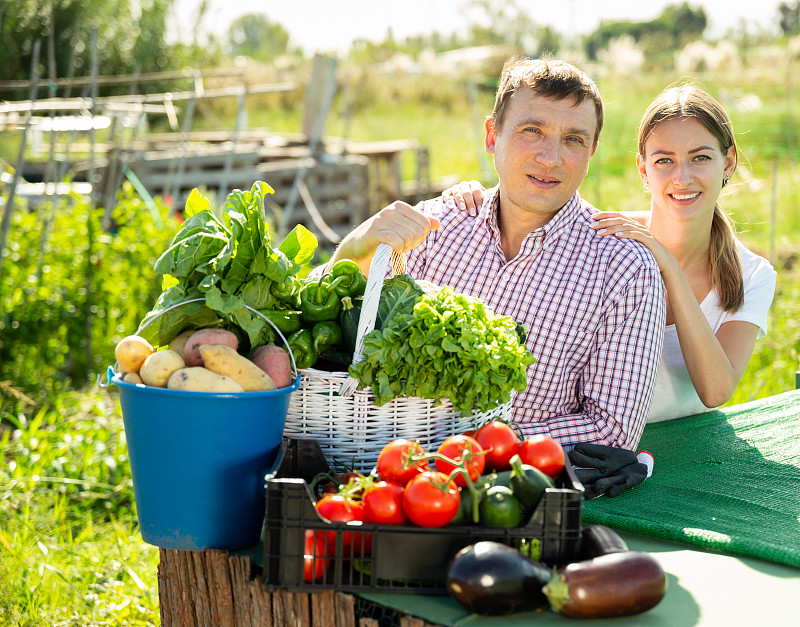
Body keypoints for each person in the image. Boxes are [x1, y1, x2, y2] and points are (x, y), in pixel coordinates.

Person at [326, 56, 666, 451]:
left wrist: (472, 446)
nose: (551, 157)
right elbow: (330, 332)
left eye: (573, 139)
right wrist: (351, 253)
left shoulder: (624, 269)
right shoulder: (434, 227)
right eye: (532, 130)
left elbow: (610, 429)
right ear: (492, 135)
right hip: (386, 466)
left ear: (590, 153)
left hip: (507, 488)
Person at [446, 83, 777, 423]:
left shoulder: (752, 274)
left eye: (701, 157)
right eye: (665, 160)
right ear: (643, 169)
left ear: (728, 162)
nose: (682, 177)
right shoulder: (610, 240)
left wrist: (670, 271)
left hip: (692, 449)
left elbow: (716, 391)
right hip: (594, 443)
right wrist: (478, 196)